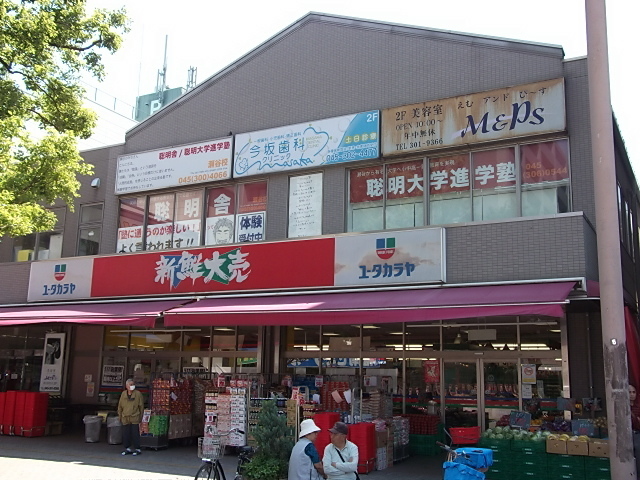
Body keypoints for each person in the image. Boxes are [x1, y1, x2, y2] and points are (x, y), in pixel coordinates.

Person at [117, 378, 144, 456]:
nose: (132, 386)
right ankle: (127, 448)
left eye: (133, 384)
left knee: (135, 433)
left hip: (134, 416)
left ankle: (137, 448)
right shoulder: (123, 394)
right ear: (126, 386)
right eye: (130, 385)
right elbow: (120, 406)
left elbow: (141, 406)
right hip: (125, 417)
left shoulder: (138, 394)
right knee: (126, 433)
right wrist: (120, 415)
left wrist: (140, 417)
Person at [630, 384, 640, 472]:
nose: (632, 394)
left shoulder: (638, 406)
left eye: (634, 392)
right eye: (629, 392)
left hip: (637, 433)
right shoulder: (623, 408)